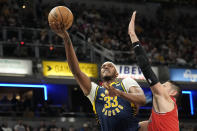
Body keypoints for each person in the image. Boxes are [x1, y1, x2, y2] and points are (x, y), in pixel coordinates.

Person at [53, 21, 146, 131]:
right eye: (103, 67)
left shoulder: (126, 82)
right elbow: (76, 71)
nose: (105, 67)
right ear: (100, 74)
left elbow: (142, 100)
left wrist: (119, 93)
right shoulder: (95, 91)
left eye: (110, 66)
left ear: (116, 73)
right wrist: (67, 39)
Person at [128, 11, 180, 131]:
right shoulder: (161, 114)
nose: (160, 85)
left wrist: (132, 35)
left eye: (165, 85)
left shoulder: (167, 100)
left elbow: (145, 67)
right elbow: (143, 126)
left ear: (172, 93)